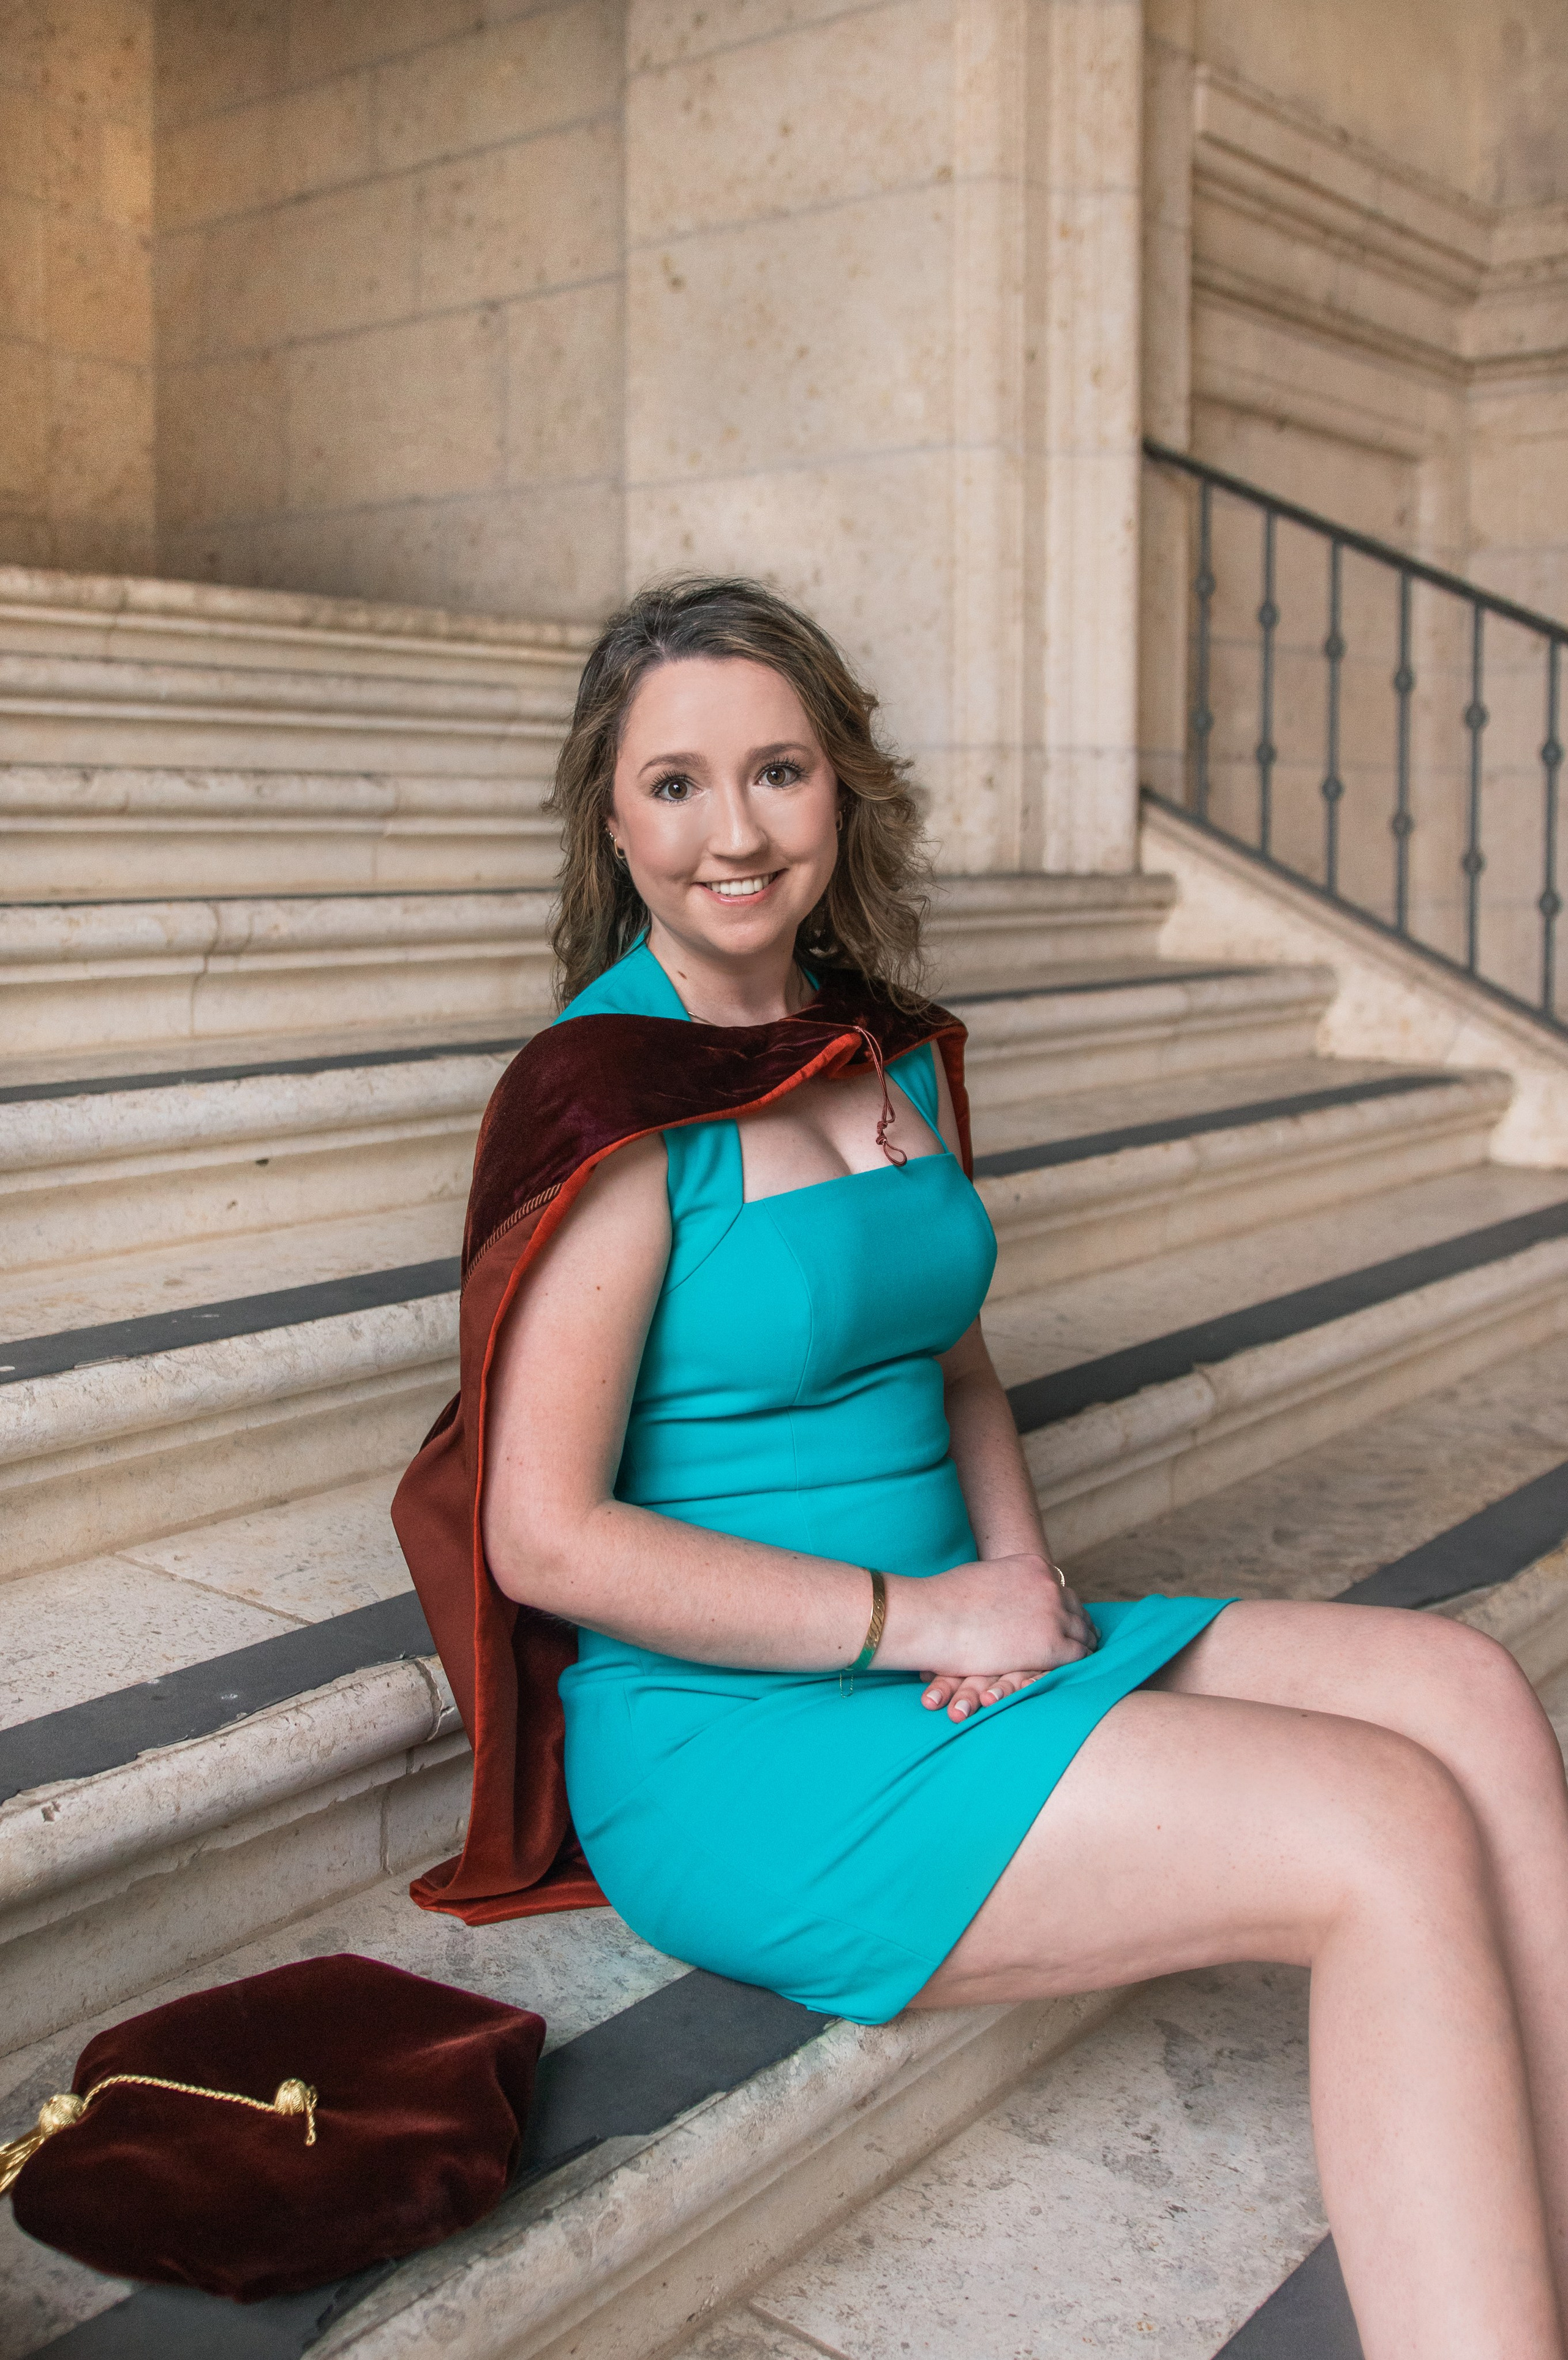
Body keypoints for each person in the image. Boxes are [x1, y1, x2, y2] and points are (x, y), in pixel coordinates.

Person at [407, 578, 1568, 2359]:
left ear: (842, 784)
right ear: (611, 816)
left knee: (1466, 1690)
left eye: (778, 769)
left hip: (959, 1642)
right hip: (741, 1737)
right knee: (1382, 1826)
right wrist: (910, 1612)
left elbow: (958, 1363)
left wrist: (1013, 1595)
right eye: (676, 784)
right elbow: (543, 1536)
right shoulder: (609, 1109)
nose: (734, 831)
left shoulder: (885, 1053)